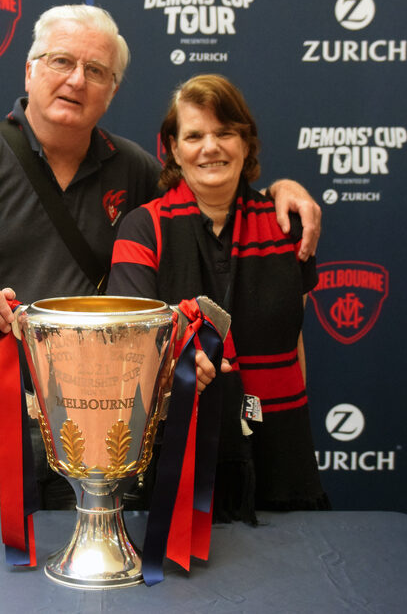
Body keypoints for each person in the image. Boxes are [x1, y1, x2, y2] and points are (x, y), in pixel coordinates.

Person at [0, 5, 322, 510]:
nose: (77, 80)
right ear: (30, 70)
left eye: (96, 70)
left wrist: (279, 192)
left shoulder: (134, 169)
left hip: (99, 422)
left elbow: (211, 193)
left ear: (112, 89)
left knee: (95, 555)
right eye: (61, 61)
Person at [107, 73, 330, 522]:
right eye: (194, 136)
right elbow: (130, 344)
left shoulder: (288, 227)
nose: (210, 147)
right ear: (173, 149)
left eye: (225, 132)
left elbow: (294, 342)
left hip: (281, 449)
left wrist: (293, 429)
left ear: (246, 143)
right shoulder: (143, 227)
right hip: (179, 448)